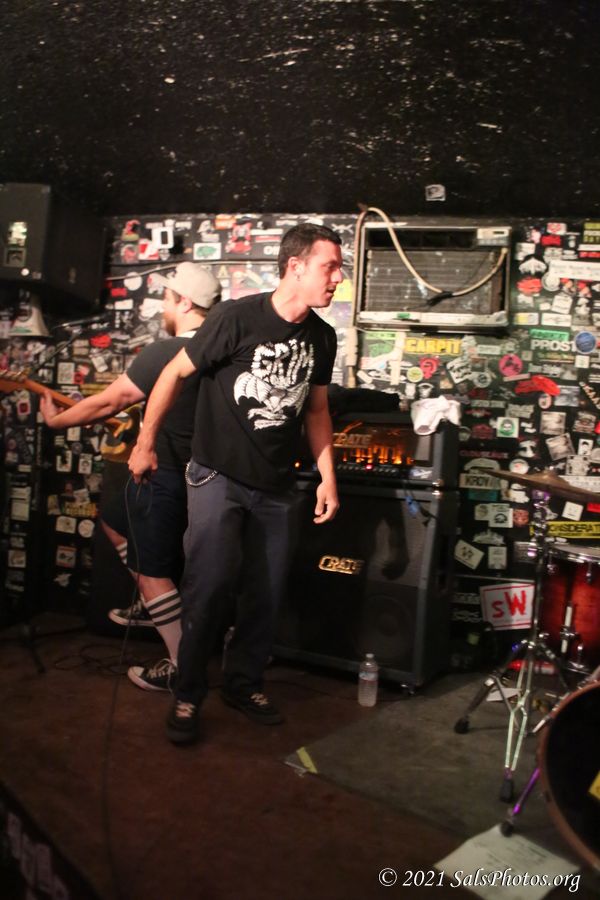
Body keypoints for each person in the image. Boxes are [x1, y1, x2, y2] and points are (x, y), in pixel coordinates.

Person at [128, 223, 342, 745]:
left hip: (277, 486)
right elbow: (173, 374)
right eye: (330, 267)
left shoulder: (322, 336)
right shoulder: (236, 318)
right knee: (209, 588)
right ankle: (187, 692)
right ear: (296, 267)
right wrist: (144, 442)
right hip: (217, 475)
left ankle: (244, 684)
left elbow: (316, 410)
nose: (338, 278)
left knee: (265, 594)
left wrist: (327, 479)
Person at [40, 263, 222, 691]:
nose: (164, 306)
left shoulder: (168, 351)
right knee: (114, 521)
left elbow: (110, 402)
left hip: (165, 476)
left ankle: (182, 668)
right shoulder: (222, 353)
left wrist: (55, 421)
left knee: (152, 572)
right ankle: (151, 603)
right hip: (207, 484)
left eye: (168, 298)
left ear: (184, 302)